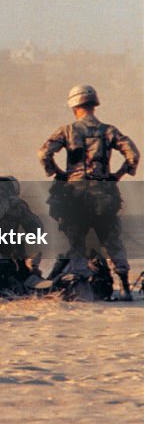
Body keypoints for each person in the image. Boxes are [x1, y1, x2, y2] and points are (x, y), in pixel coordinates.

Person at [39, 84, 139, 299]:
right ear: (94, 104)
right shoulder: (109, 131)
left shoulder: (67, 131)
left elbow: (44, 154)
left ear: (74, 106)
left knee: (77, 243)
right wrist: (117, 176)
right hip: (104, 194)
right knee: (112, 241)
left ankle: (81, 288)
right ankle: (125, 288)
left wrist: (58, 173)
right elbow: (133, 155)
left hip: (76, 196)